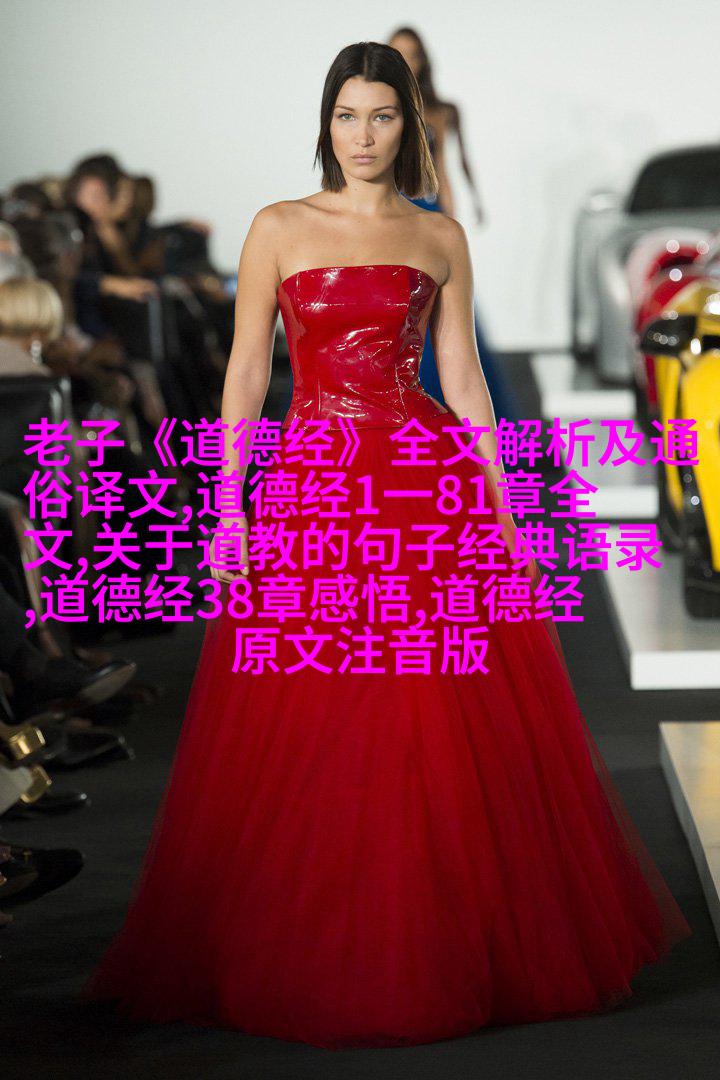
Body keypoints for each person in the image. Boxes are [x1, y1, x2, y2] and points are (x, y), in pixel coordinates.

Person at [81, 41, 690, 1050]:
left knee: (431, 716)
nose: (363, 136)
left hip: (423, 484)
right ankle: (312, 936)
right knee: (316, 713)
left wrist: (505, 505)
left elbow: (464, 377)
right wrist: (227, 507)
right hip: (313, 488)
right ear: (326, 123)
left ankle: (438, 935)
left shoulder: (437, 233)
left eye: (382, 116)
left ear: (409, 124)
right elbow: (245, 374)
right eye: (347, 116)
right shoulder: (279, 227)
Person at [388, 26, 518, 422]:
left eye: (411, 53)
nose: (405, 61)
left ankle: (451, 406)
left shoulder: (440, 111)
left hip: (427, 208)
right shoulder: (381, 107)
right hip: (391, 209)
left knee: (441, 303)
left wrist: (452, 217)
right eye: (397, 53)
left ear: (422, 59)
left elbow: (445, 163)